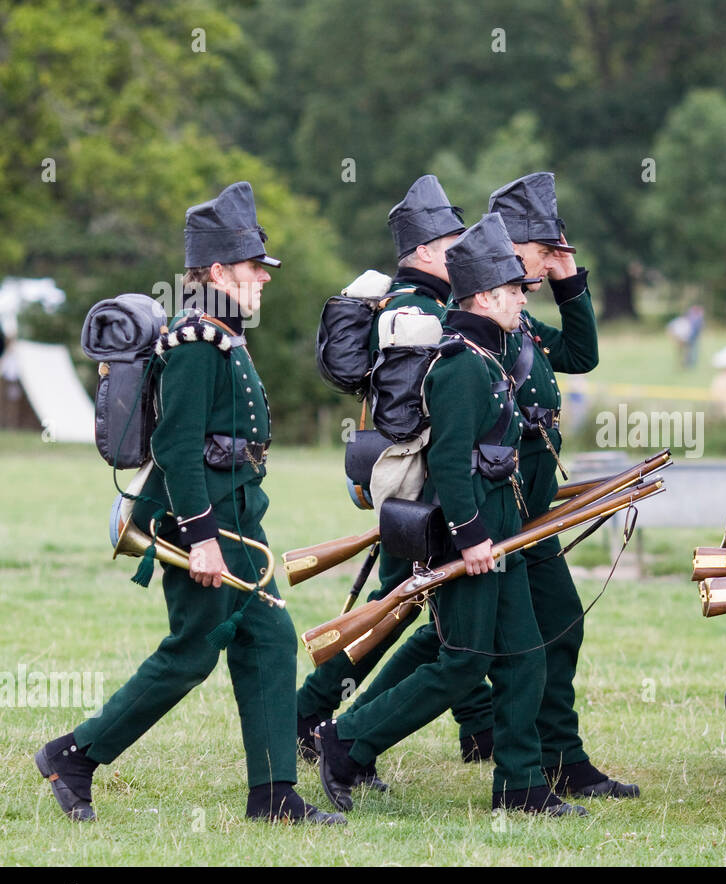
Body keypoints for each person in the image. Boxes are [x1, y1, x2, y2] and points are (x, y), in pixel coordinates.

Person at [35, 182, 343, 825]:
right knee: (191, 651)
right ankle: (75, 755)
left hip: (235, 514)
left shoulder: (221, 336)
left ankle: (273, 795)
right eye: (254, 267)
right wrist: (201, 537)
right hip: (199, 516)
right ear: (220, 270)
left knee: (269, 639)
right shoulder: (199, 342)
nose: (262, 279)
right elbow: (177, 447)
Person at [313, 213, 586, 816]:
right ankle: (343, 742)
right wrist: (470, 537)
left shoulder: (486, 354)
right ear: (487, 296)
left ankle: (520, 787)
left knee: (524, 654)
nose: (522, 299)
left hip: (502, 533)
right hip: (473, 536)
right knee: (463, 665)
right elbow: (450, 461)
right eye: (515, 290)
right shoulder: (462, 363)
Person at [295, 175, 495, 774]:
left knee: (425, 609)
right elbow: (423, 419)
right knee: (396, 607)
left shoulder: (411, 305)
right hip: (424, 487)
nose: (463, 249)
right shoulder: (418, 311)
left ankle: (479, 725)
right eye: (454, 240)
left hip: (421, 485)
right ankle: (312, 713)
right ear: (429, 251)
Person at [487, 172, 638, 799]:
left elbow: (581, 354)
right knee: (455, 650)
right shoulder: (482, 314)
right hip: (497, 511)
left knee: (558, 626)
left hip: (531, 510)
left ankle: (562, 759)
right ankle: (346, 736)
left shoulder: (519, 321)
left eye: (555, 252)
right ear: (511, 247)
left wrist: (572, 277)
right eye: (544, 252)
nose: (551, 264)